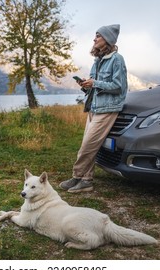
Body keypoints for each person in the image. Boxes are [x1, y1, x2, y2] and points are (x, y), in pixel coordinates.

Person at [59, 24, 128, 193]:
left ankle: (77, 176)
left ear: (108, 40)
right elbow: (95, 86)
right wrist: (86, 85)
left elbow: (119, 86)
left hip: (107, 109)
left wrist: (95, 83)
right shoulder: (97, 61)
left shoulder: (117, 59)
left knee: (87, 146)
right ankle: (86, 180)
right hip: (94, 107)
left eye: (98, 36)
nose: (94, 39)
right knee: (87, 144)